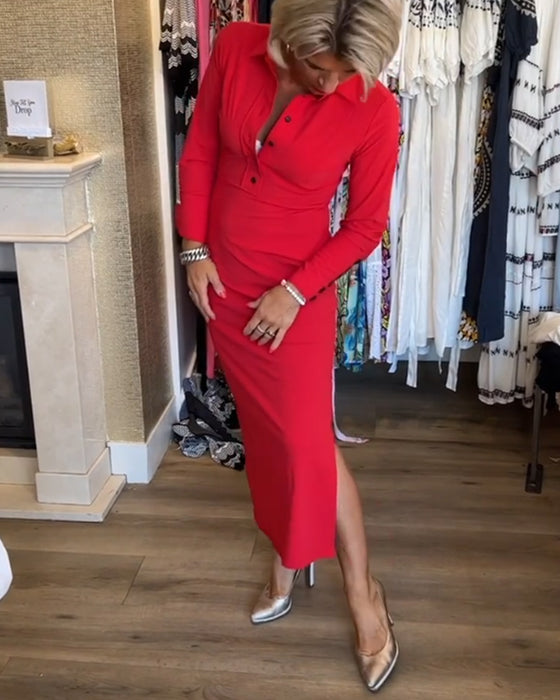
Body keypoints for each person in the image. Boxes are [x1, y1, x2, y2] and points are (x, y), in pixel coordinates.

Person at [176, 0, 402, 692]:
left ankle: (365, 597)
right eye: (319, 68)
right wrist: (193, 248)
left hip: (294, 298)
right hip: (223, 284)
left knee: (307, 444)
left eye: (344, 73)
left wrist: (296, 292)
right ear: (288, 40)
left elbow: (364, 227)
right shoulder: (237, 45)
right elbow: (202, 149)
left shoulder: (376, 109)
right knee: (268, 437)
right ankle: (286, 556)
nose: (332, 85)